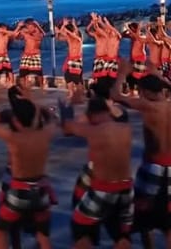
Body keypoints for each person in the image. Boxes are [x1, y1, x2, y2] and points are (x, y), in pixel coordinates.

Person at [112, 61, 171, 248]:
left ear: (146, 92)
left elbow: (115, 95)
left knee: (142, 213)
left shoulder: (148, 106)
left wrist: (122, 74)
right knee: (170, 217)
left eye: (141, 91)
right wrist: (162, 78)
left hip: (153, 164)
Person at [0, 85, 56, 249]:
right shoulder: (45, 133)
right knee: (43, 235)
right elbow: (52, 118)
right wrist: (32, 101)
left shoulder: (13, 138)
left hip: (18, 189)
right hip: (41, 188)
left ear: (15, 120)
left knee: (1, 231)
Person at [61, 98, 134, 249]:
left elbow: (66, 128)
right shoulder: (126, 128)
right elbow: (120, 115)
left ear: (91, 115)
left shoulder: (94, 130)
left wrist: (68, 108)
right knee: (120, 233)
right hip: (127, 189)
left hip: (104, 189)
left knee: (80, 229)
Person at [16, 19, 45, 88]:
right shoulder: (26, 34)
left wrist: (37, 25)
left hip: (35, 55)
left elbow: (43, 34)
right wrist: (19, 27)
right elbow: (16, 36)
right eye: (28, 27)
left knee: (38, 73)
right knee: (22, 73)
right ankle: (24, 88)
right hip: (26, 55)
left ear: (35, 27)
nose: (29, 29)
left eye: (31, 27)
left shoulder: (38, 34)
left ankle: (41, 87)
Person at [58, 18, 85, 91]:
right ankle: (71, 93)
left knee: (77, 79)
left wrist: (73, 25)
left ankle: (80, 93)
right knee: (68, 77)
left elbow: (76, 34)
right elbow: (61, 33)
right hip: (70, 59)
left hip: (77, 60)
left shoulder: (79, 39)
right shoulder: (69, 38)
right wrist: (63, 25)